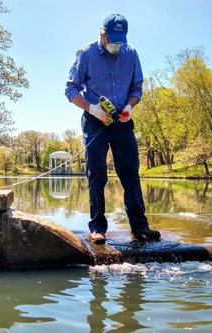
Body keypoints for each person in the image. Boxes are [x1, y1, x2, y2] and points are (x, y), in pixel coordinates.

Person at [65, 13, 160, 245]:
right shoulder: (85, 54)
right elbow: (71, 89)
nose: (117, 45)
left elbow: (137, 87)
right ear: (102, 33)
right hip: (95, 119)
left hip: (123, 120)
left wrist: (129, 106)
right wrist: (92, 109)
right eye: (113, 39)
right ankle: (97, 227)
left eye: (121, 40)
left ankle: (139, 227)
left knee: (130, 172)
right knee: (97, 174)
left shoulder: (131, 53)